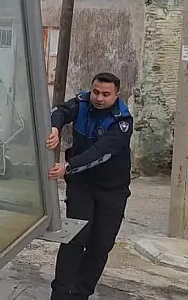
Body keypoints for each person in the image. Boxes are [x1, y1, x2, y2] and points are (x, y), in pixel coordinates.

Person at [45, 72, 133, 299]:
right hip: (81, 186)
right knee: (75, 238)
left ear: (116, 95)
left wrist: (68, 166)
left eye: (106, 94)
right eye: (96, 92)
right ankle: (60, 294)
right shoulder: (82, 103)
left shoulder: (122, 121)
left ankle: (80, 294)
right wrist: (54, 127)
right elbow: (60, 111)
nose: (99, 98)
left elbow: (100, 152)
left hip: (112, 190)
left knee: (100, 245)